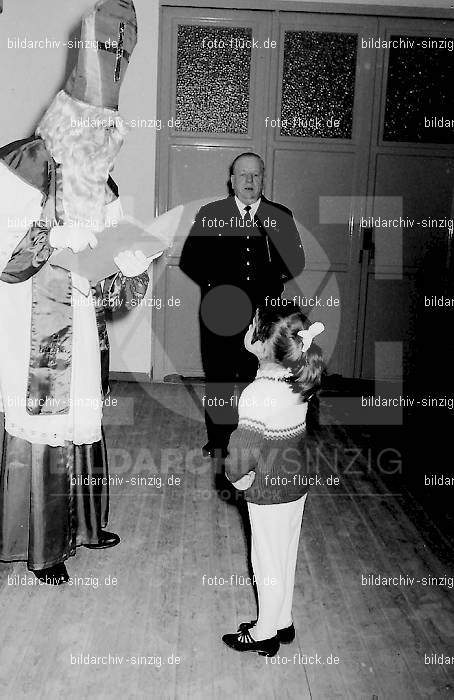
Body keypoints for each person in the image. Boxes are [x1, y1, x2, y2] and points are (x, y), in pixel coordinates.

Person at [0, 0, 151, 585]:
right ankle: (42, 547)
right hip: (32, 322)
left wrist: (131, 263)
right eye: (93, 131)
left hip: (80, 322)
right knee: (44, 418)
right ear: (68, 122)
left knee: (83, 413)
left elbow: (113, 284)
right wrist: (52, 234)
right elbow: (8, 262)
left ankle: (84, 523)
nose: (102, 145)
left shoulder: (103, 181)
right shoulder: (23, 163)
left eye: (108, 135)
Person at [179, 153, 305, 459]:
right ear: (232, 180)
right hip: (218, 311)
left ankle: (256, 437)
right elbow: (190, 261)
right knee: (220, 376)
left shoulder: (279, 215)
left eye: (256, 175)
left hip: (264, 315)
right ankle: (220, 441)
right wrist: (218, 288)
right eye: (243, 175)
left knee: (261, 375)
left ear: (263, 179)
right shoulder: (212, 213)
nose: (249, 181)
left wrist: (270, 279)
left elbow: (296, 262)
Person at [221, 304, 324, 657]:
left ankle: (265, 633)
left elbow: (242, 452)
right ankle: (282, 620)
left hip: (268, 488)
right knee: (285, 553)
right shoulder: (298, 382)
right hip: (296, 484)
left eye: (253, 326)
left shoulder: (256, 394)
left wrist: (236, 478)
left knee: (265, 559)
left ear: (262, 343)